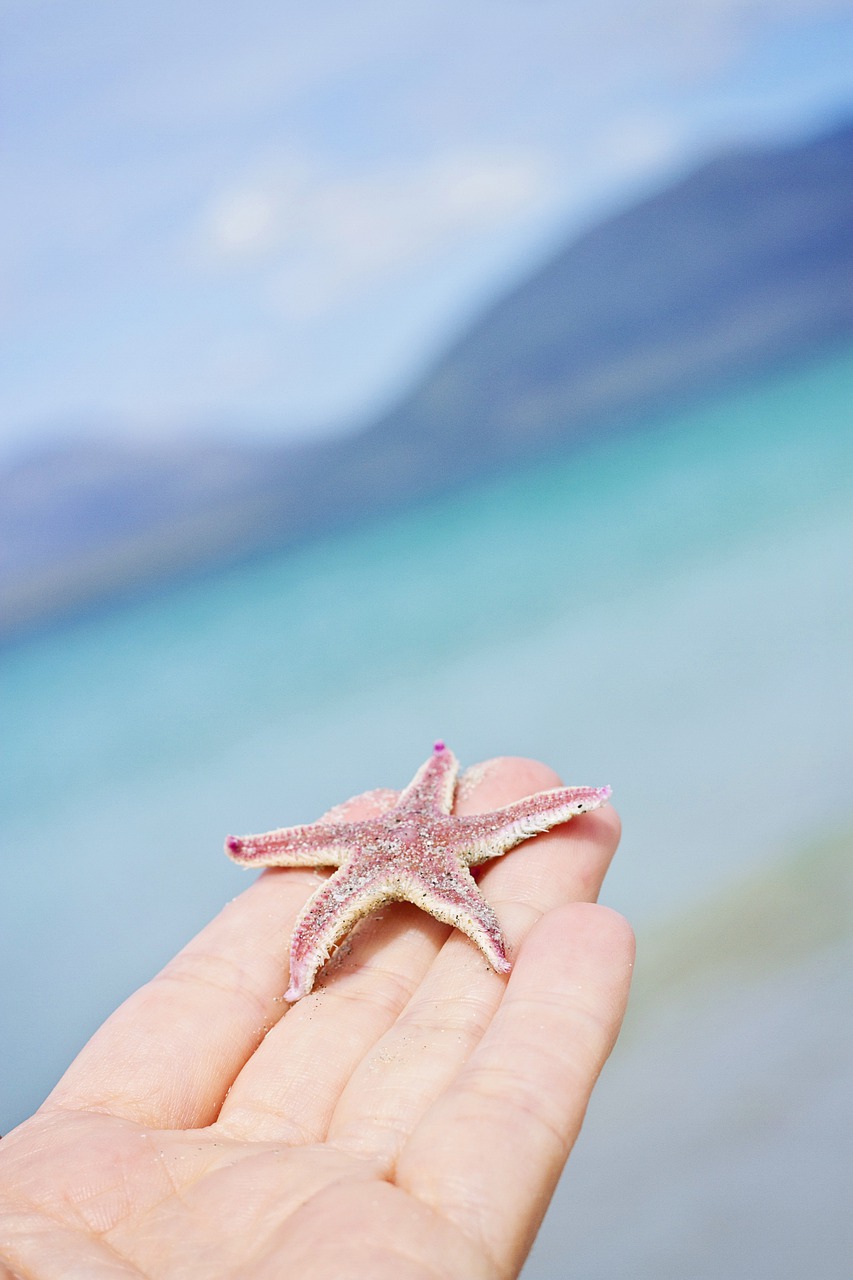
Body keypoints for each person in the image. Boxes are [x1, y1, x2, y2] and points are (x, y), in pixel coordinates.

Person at [0, 755, 633, 1278]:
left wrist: (494, 922)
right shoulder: (379, 847)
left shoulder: (409, 837)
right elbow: (311, 845)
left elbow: (469, 806)